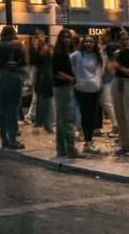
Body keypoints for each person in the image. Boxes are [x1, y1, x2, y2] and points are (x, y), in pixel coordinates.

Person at [0, 26, 26, 150]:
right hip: (14, 77)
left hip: (2, 76)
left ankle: (4, 138)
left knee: (3, 108)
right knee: (13, 108)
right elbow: (25, 62)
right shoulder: (17, 45)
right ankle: (12, 139)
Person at [73, 35, 105, 155]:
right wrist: (73, 79)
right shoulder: (77, 55)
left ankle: (88, 142)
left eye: (90, 42)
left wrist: (99, 83)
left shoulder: (98, 56)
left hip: (95, 89)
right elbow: (67, 64)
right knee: (84, 115)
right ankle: (86, 139)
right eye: (86, 41)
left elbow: (100, 71)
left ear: (94, 44)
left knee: (91, 117)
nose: (88, 43)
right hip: (81, 89)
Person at [51, 29, 79, 159]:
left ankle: (61, 149)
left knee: (62, 119)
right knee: (67, 119)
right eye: (65, 37)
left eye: (69, 37)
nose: (68, 40)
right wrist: (72, 79)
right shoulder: (60, 53)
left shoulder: (63, 52)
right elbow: (57, 72)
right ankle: (71, 150)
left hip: (61, 87)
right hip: (63, 87)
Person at [31, 32, 54, 133]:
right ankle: (44, 124)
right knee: (43, 103)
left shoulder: (44, 51)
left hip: (45, 78)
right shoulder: (36, 51)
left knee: (44, 103)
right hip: (43, 78)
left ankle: (43, 124)